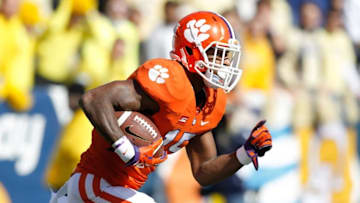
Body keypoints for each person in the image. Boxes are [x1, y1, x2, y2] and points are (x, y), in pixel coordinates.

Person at [50, 11, 272, 203]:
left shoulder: (211, 101)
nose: (224, 64)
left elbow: (203, 171)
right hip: (94, 183)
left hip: (119, 191)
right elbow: (94, 99)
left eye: (227, 57)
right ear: (192, 51)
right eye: (217, 54)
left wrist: (244, 153)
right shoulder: (169, 80)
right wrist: (125, 148)